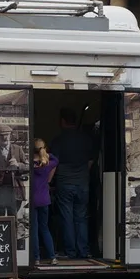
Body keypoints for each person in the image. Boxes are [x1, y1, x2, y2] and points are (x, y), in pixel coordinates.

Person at [51, 109, 96, 260]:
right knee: (81, 217)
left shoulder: (58, 140)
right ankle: (82, 251)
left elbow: (54, 164)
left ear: (62, 121)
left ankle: (70, 252)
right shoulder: (86, 139)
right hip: (82, 182)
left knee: (67, 217)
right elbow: (90, 162)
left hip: (65, 182)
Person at [0, 124, 27, 217]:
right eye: (2, 135)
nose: (5, 137)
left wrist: (18, 165)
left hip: (14, 189)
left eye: (7, 135)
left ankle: (13, 231)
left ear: (10, 135)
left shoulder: (18, 149)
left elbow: (28, 167)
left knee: (13, 217)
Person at [31, 139, 58, 265]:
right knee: (45, 228)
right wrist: (46, 153)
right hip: (44, 200)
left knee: (34, 229)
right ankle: (52, 257)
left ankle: (36, 258)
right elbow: (56, 160)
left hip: (32, 200)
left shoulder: (30, 164)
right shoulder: (48, 164)